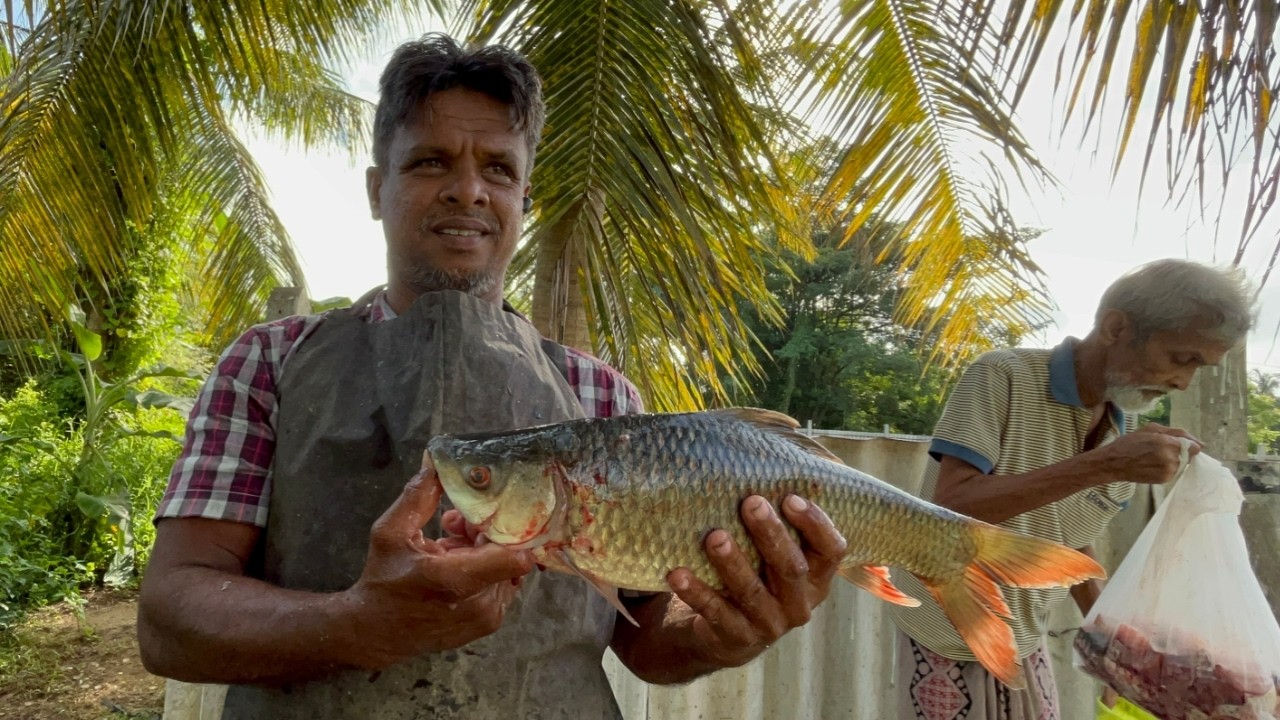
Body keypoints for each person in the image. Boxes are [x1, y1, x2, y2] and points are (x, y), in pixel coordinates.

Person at [136, 34, 848, 719]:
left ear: (523, 201)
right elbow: (170, 618)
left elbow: (646, 643)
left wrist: (726, 636)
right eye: (430, 162)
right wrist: (355, 624)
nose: (468, 190)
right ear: (377, 188)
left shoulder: (603, 396)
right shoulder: (270, 361)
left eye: (498, 170)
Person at [890, 259, 1255, 720]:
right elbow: (950, 506)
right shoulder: (1002, 377)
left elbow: (1067, 531)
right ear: (1116, 327)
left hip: (1025, 633)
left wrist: (1111, 644)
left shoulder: (1124, 421)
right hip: (952, 629)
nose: (1183, 382)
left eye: (1199, 368)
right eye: (1181, 359)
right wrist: (1100, 466)